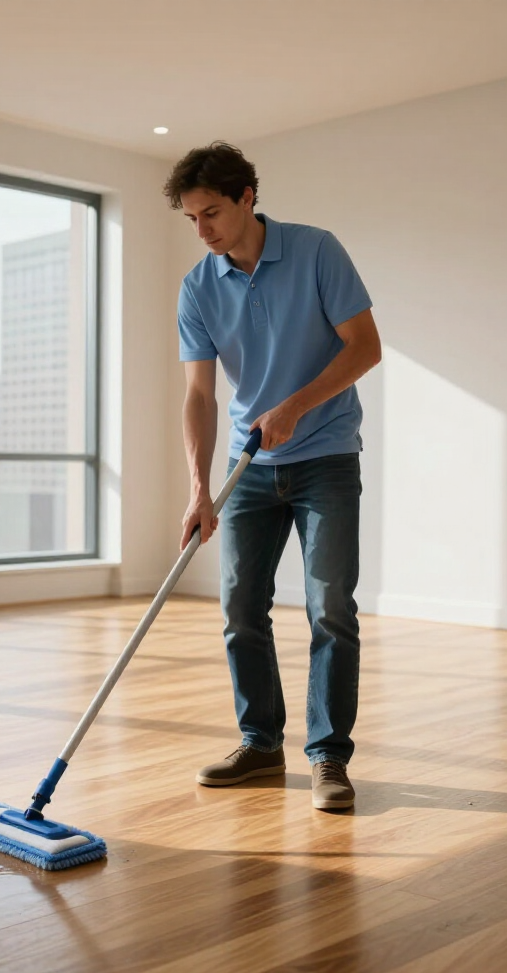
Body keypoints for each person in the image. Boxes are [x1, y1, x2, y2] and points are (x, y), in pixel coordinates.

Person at [166, 141, 381, 810]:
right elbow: (200, 396)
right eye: (191, 219)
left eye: (212, 213)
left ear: (248, 197)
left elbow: (366, 347)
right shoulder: (199, 287)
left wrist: (295, 405)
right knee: (239, 609)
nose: (203, 232)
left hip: (325, 459)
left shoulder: (317, 251)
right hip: (249, 467)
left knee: (330, 609)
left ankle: (327, 757)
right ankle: (261, 745)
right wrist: (200, 490)